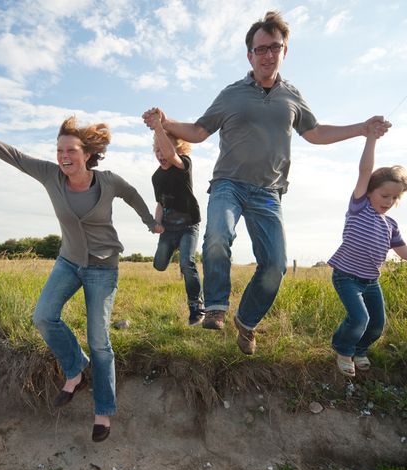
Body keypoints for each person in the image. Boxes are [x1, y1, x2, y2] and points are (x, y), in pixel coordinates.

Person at [143, 10, 391, 355]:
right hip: (228, 183)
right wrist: (166, 123)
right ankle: (215, 306)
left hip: (268, 192)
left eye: (275, 47)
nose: (268, 54)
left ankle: (246, 321)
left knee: (275, 265)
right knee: (216, 236)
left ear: (284, 51)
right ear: (250, 55)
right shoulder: (231, 94)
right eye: (261, 49)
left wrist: (361, 129)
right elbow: (199, 131)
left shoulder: (292, 96)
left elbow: (315, 133)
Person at [0, 115, 162, 442]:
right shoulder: (50, 175)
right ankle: (75, 368)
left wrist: (150, 222)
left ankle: (103, 410)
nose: (63, 155)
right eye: (59, 149)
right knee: (44, 316)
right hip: (68, 262)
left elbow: (132, 194)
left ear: (86, 154)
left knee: (100, 340)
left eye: (71, 150)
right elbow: (11, 154)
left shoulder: (108, 181)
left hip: (103, 268)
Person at [328, 123, 407, 377]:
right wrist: (371, 138)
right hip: (347, 276)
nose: (389, 202)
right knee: (359, 318)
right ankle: (343, 348)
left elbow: (402, 251)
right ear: (370, 191)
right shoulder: (359, 206)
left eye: (394, 198)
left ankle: (360, 349)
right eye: (385, 195)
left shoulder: (391, 225)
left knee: (377, 325)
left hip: (371, 281)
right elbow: (365, 170)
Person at [148, 111, 205, 326]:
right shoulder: (156, 177)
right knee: (159, 265)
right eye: (157, 151)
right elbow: (160, 203)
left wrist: (158, 128)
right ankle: (172, 248)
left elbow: (171, 156)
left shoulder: (183, 165)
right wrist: (157, 223)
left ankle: (196, 307)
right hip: (169, 228)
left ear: (177, 150)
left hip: (189, 225)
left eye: (163, 150)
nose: (161, 155)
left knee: (187, 263)